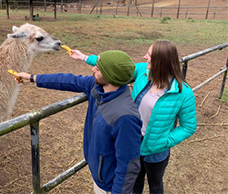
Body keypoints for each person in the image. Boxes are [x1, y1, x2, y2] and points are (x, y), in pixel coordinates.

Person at [70, 40, 197, 194]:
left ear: (161, 61)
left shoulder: (184, 93)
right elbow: (113, 66)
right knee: (135, 184)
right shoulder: (143, 72)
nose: (144, 57)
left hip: (156, 150)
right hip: (133, 142)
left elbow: (188, 127)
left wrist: (165, 141)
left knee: (155, 185)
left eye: (149, 55)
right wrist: (84, 57)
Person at [14, 50, 142, 194]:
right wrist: (32, 78)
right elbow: (68, 80)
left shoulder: (125, 117)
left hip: (110, 187)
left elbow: (128, 165)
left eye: (98, 69)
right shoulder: (98, 88)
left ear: (110, 76)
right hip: (99, 177)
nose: (93, 69)